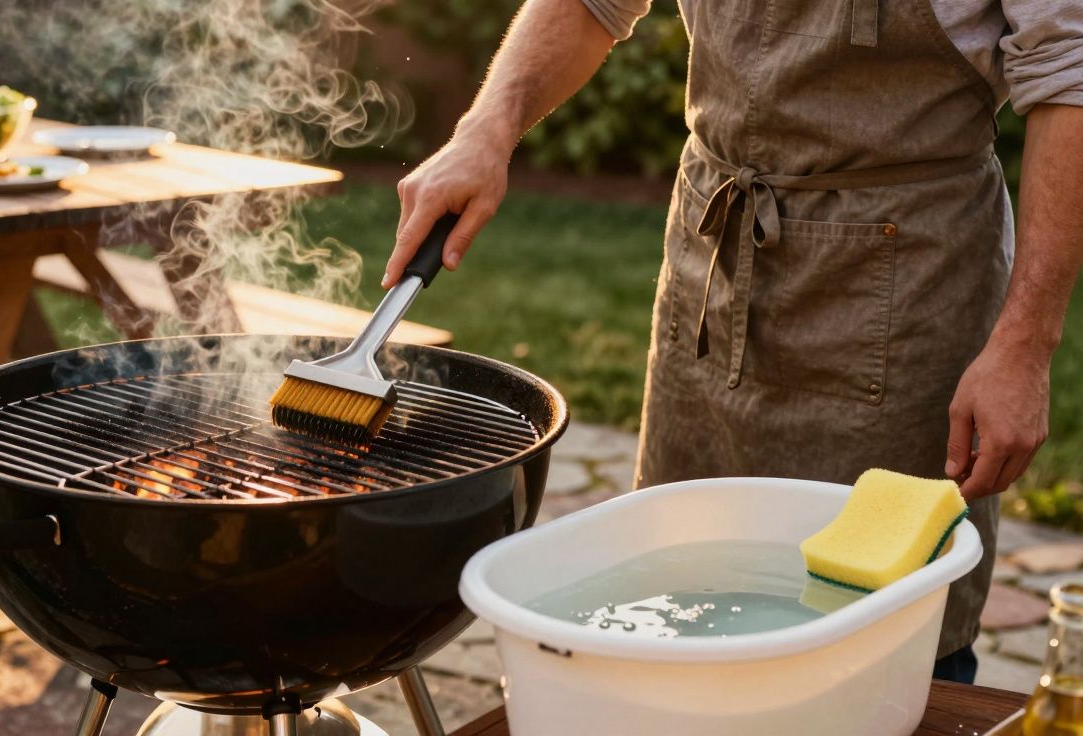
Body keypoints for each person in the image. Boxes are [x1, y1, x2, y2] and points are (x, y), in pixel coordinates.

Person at [382, 0, 1083, 683]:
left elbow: (1069, 77)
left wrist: (1024, 345)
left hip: (909, 290)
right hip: (714, 258)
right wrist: (486, 129)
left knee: (881, 641)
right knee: (675, 596)